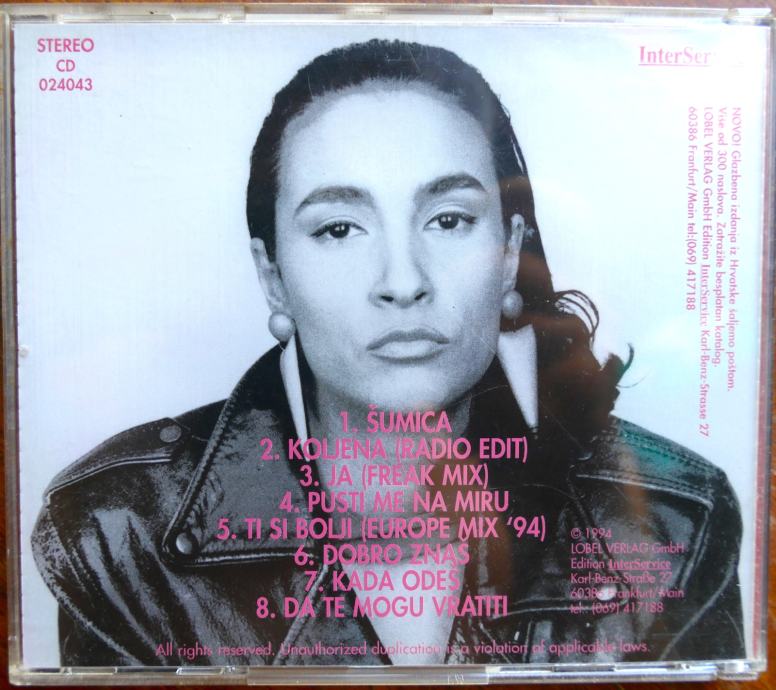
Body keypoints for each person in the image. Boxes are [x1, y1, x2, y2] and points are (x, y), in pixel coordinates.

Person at [32, 38, 744, 667]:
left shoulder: (676, 521)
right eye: (340, 229)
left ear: (508, 257)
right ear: (273, 277)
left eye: (448, 219)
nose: (403, 282)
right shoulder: (119, 528)